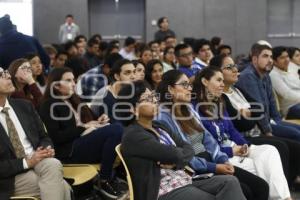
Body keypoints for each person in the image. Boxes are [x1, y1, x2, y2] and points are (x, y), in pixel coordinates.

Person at [117, 80, 246, 200]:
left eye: (154, 96)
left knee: (230, 182)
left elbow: (188, 148)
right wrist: (177, 157)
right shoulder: (133, 135)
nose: (155, 100)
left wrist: (176, 160)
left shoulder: (159, 126)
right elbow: (176, 154)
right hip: (163, 191)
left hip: (184, 180)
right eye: (148, 99)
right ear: (133, 109)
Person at [156, 70, 269, 200]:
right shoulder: (164, 118)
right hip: (194, 169)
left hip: (211, 161)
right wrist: (215, 167)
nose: (189, 88)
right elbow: (184, 155)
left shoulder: (188, 109)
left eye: (189, 84)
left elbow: (208, 139)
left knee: (261, 186)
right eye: (184, 85)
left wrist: (222, 160)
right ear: (170, 89)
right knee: (247, 190)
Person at [193, 66, 292, 200]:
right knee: (264, 169)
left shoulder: (219, 102)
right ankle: (282, 198)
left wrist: (244, 145)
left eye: (223, 80)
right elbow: (208, 146)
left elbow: (232, 130)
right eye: (218, 80)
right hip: (224, 154)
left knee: (270, 150)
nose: (223, 84)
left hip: (236, 147)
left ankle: (283, 198)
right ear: (205, 82)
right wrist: (231, 150)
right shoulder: (195, 109)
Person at [211, 54, 300, 188]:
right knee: (282, 146)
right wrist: (249, 114)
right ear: (217, 72)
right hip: (245, 137)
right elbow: (242, 124)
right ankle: (285, 187)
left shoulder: (236, 90)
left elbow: (260, 108)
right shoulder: (222, 97)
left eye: (234, 65)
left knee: (294, 145)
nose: (235, 70)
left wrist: (246, 113)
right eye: (229, 67)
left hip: (255, 132)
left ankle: (292, 182)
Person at [38, 67, 125, 199]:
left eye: (73, 79)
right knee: (117, 129)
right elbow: (56, 137)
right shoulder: (48, 104)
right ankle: (105, 178)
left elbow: (89, 121)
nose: (73, 83)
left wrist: (99, 121)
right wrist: (84, 127)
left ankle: (114, 176)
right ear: (55, 85)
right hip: (68, 151)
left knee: (117, 129)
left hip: (82, 142)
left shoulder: (73, 99)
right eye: (68, 80)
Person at [0, 67, 71, 199]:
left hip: (38, 160)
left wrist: (46, 148)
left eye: (6, 73)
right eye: (1, 75)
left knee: (54, 164)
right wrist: (27, 162)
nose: (8, 77)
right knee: (62, 186)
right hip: (9, 177)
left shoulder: (24, 106)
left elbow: (44, 136)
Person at [235, 43, 300, 142]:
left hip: (270, 121)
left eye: (271, 57)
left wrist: (278, 121)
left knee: (297, 130)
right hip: (257, 127)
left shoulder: (265, 75)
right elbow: (259, 108)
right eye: (265, 56)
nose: (270, 60)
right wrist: (268, 132)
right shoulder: (248, 77)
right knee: (296, 134)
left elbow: (272, 102)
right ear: (255, 59)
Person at [270, 46, 300, 119]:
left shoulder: (289, 70)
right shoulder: (273, 74)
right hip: (290, 108)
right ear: (274, 61)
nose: (286, 60)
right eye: (282, 58)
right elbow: (287, 94)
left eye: (287, 57)